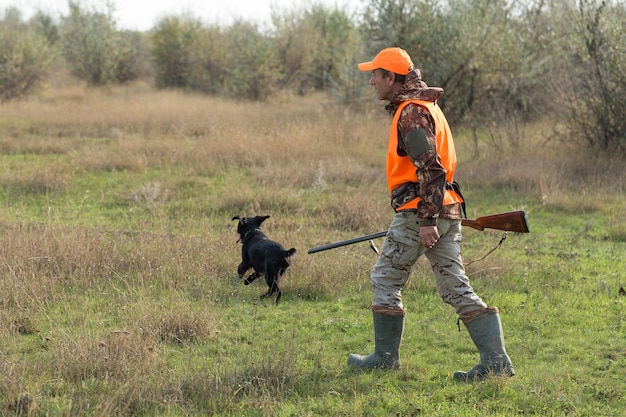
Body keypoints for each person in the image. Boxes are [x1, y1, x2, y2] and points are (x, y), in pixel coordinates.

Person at [348, 47, 515, 381]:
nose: (371, 82)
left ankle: (384, 359)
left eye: (376, 75)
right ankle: (496, 362)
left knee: (384, 279)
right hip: (445, 208)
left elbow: (430, 169)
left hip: (420, 212)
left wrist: (425, 222)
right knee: (455, 286)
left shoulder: (411, 112)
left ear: (391, 78)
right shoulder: (428, 107)